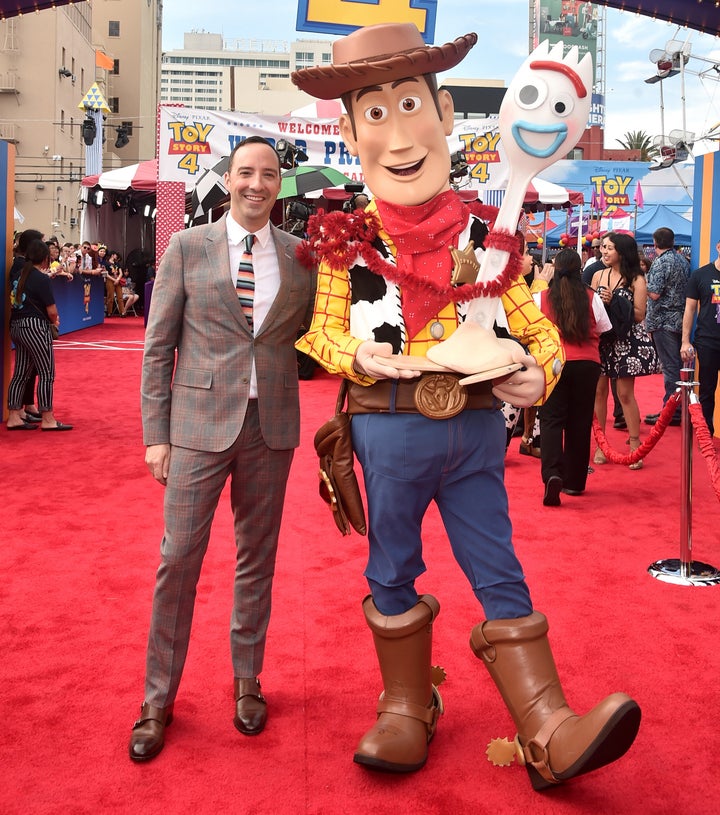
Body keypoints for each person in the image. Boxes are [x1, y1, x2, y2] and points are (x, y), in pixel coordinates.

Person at [293, 23, 639, 789]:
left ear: (445, 112)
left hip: (476, 433)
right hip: (385, 425)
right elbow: (319, 332)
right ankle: (406, 704)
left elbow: (540, 330)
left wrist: (534, 377)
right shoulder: (344, 238)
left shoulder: (494, 233)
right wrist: (358, 354)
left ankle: (547, 723)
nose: (399, 132)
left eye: (410, 104)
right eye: (373, 114)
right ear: (350, 131)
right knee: (391, 564)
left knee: (499, 567)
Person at [129, 136, 316, 762]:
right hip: (197, 426)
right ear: (227, 178)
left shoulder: (300, 255)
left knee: (256, 559)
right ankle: (158, 699)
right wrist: (156, 435)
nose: (256, 184)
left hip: (273, 428)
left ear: (277, 185)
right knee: (178, 558)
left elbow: (312, 337)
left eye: (268, 175)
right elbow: (158, 347)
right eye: (245, 173)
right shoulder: (187, 246)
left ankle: (246, 680)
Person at [535, 249, 611, 505]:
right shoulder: (591, 297)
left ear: (554, 269)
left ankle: (552, 474)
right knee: (579, 422)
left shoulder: (541, 298)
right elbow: (604, 327)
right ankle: (575, 482)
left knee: (551, 420)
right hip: (587, 364)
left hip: (554, 363)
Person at [592, 232, 658, 469]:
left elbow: (640, 314)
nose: (604, 251)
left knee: (624, 394)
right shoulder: (598, 274)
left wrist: (616, 301)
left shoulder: (637, 279)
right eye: (604, 248)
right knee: (598, 393)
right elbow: (591, 307)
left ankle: (634, 444)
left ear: (622, 251)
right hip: (601, 340)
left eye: (609, 248)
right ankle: (601, 444)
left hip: (626, 341)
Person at [6, 239, 73, 431]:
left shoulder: (19, 275)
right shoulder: (41, 279)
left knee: (20, 373)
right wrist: (55, 321)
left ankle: (13, 415)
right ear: (45, 259)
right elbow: (51, 311)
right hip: (35, 327)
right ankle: (48, 418)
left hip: (17, 326)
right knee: (46, 373)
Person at [644, 228, 690, 426]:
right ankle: (673, 408)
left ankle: (672, 411)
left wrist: (639, 284)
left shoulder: (661, 262)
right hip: (680, 319)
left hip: (663, 321)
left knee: (670, 368)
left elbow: (654, 293)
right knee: (677, 367)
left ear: (655, 243)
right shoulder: (682, 260)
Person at [681, 238, 720, 435]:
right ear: (718, 247)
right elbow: (689, 309)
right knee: (706, 391)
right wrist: (685, 341)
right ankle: (706, 433)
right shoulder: (700, 275)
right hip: (708, 342)